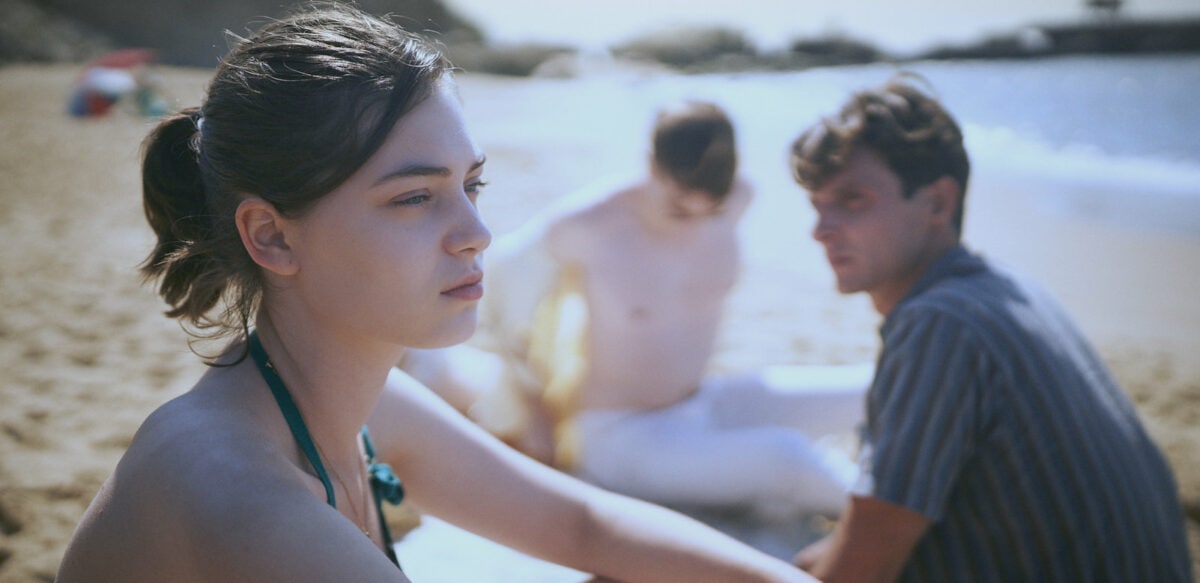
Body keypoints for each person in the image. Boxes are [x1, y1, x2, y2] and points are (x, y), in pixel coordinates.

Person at [55, 5, 817, 582]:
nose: (477, 231)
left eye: (471, 183)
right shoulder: (237, 493)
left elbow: (586, 524)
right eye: (414, 197)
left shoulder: (354, 400)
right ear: (273, 237)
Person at [788, 73, 1192, 582]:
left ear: (938, 203)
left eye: (852, 200)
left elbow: (860, 570)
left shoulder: (939, 325)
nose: (820, 229)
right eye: (817, 204)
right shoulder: (1005, 290)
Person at [402, 100, 871, 520]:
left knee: (873, 388)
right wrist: (531, 407)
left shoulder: (736, 197)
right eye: (678, 208)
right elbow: (497, 302)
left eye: (708, 211)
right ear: (650, 165)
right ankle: (904, 520)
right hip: (621, 434)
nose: (695, 219)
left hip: (705, 400)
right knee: (785, 459)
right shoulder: (588, 225)